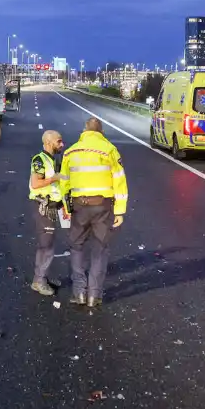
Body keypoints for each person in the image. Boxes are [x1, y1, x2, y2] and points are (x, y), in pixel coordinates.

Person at [58, 117, 127, 307]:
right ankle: (94, 296)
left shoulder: (71, 151)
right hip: (102, 206)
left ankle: (79, 292)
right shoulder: (109, 150)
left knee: (77, 246)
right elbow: (119, 181)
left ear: (84, 130)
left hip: (79, 206)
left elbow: (64, 182)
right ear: (101, 132)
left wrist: (66, 205)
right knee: (100, 248)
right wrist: (120, 211)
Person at [27, 130, 66, 296]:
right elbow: (36, 184)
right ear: (49, 142)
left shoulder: (53, 160)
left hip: (52, 207)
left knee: (47, 245)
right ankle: (39, 281)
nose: (62, 145)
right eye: (59, 141)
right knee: (46, 247)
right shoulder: (40, 160)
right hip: (43, 207)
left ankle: (41, 277)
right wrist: (55, 178)